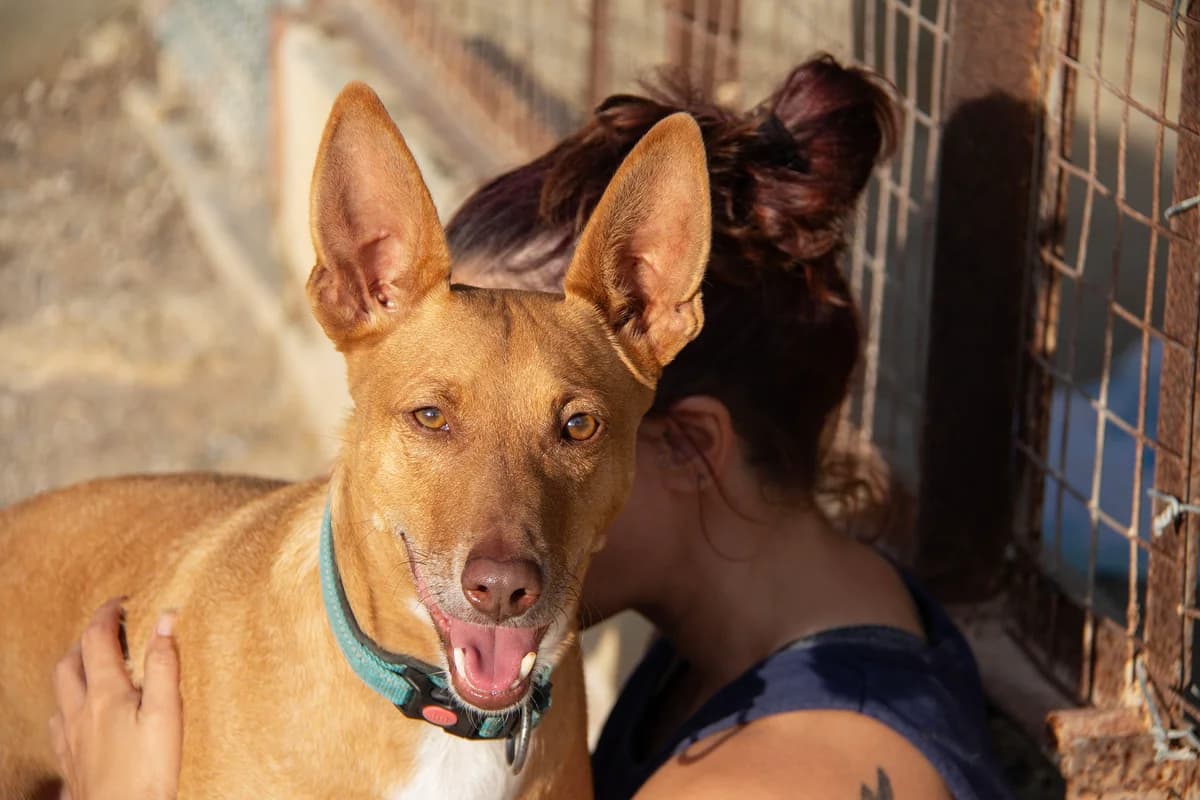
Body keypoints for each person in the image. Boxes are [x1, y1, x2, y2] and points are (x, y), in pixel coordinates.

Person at [49, 55, 1012, 799]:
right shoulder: (770, 632)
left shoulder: (778, 772)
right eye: (433, 417)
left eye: (574, 429)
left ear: (683, 435)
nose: (498, 539)